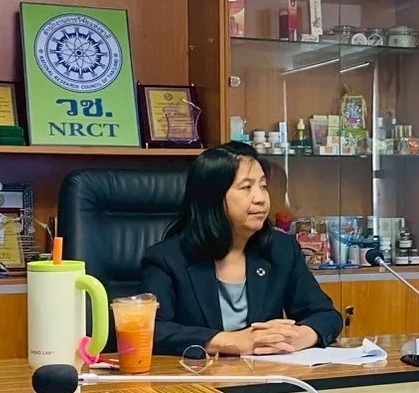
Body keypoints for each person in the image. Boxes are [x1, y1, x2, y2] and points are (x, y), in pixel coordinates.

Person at [142, 142, 343, 357]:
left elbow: (326, 315)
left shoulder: (281, 250)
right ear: (213, 197)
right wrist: (230, 341)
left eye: (263, 186)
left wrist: (297, 336)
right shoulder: (166, 259)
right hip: (198, 375)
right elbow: (152, 330)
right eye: (247, 187)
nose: (261, 198)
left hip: (267, 374)